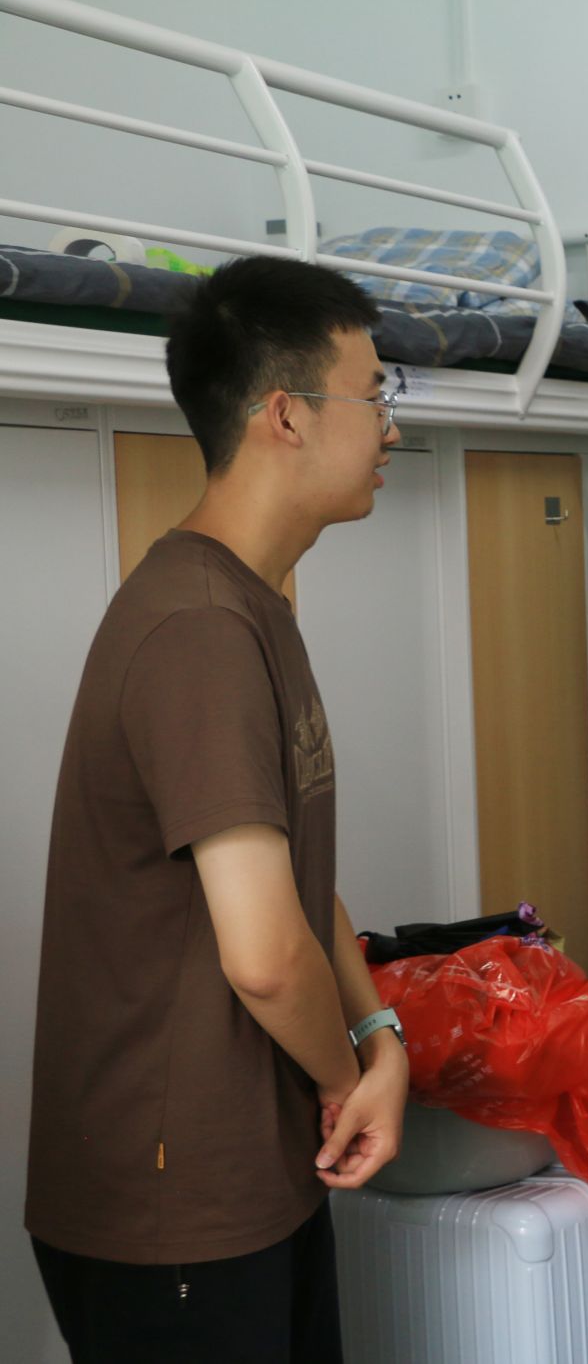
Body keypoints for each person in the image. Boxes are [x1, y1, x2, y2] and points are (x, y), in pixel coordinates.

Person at [26, 257, 409, 1363]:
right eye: (373, 395)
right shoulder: (198, 627)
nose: (391, 427)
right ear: (286, 415)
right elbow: (265, 957)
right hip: (174, 1211)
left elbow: (293, 889)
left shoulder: (252, 605)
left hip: (249, 1178)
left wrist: (378, 1038)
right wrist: (350, 1081)